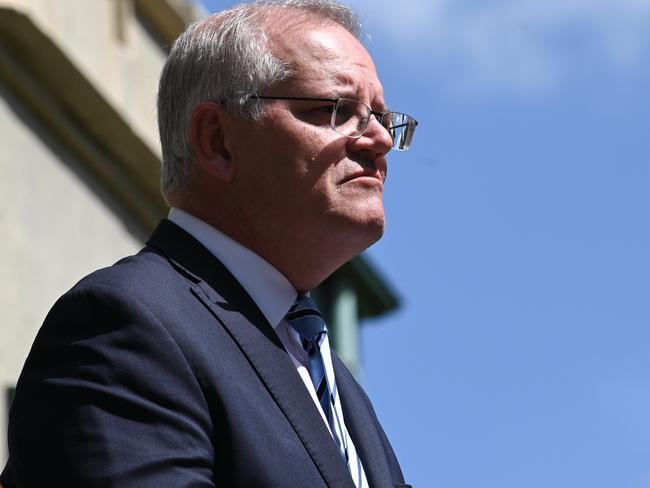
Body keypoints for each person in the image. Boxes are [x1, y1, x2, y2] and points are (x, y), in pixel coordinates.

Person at [0, 0, 418, 486]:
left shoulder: (337, 387)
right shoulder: (124, 328)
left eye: (382, 118)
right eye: (337, 110)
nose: (379, 140)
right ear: (217, 139)